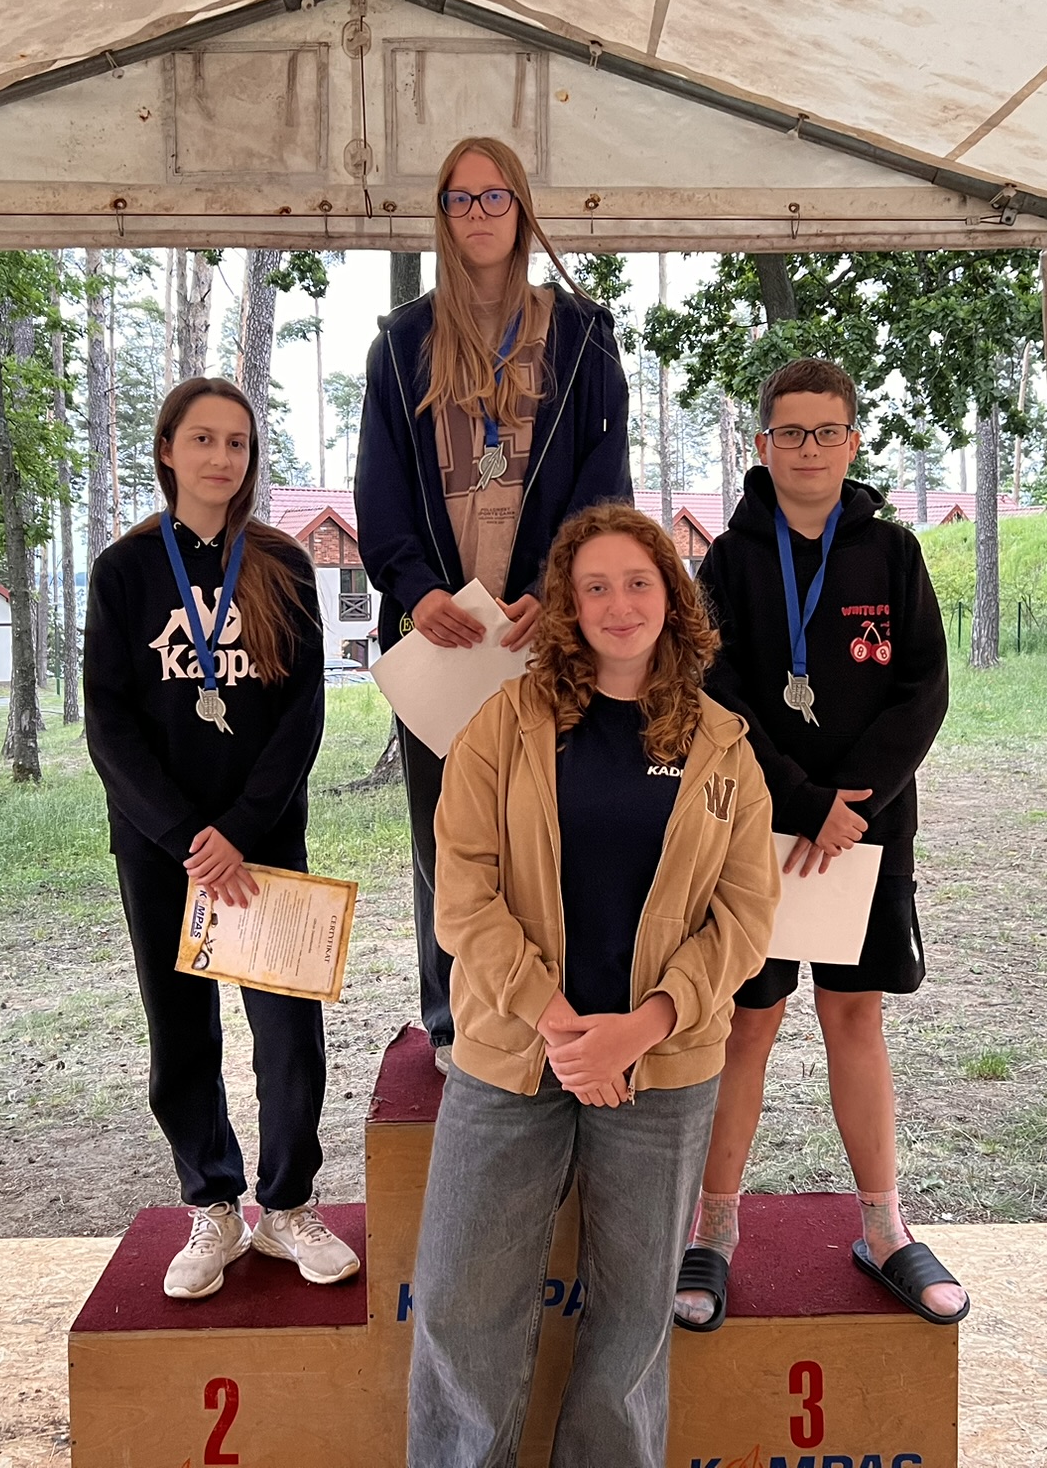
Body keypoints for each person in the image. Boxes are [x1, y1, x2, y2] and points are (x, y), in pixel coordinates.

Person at [407, 504, 777, 1468]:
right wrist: (562, 1024)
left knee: (632, 1321)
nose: (620, 605)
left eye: (639, 583)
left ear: (672, 598)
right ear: (568, 605)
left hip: (662, 1069)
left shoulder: (724, 746)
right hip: (513, 1052)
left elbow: (745, 921)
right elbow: (462, 894)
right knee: (460, 1305)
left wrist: (642, 1027)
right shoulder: (504, 724)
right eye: (596, 586)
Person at [672, 357, 968, 1332]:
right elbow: (716, 694)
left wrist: (855, 805)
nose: (808, 449)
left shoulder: (892, 553)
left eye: (826, 432)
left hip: (865, 837)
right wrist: (802, 801)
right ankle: (713, 1230)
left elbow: (921, 689)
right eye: (790, 433)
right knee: (746, 1024)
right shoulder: (728, 563)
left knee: (854, 1016)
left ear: (852, 441)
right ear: (762, 445)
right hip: (759, 834)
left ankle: (883, 1226)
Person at [356, 134, 631, 1075]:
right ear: (441, 214)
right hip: (444, 636)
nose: (477, 214)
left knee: (554, 822)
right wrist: (415, 588)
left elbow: (606, 482)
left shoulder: (583, 335)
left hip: (541, 629)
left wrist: (558, 588)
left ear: (522, 208)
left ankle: (560, 1009)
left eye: (494, 196)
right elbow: (379, 486)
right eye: (459, 199)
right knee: (447, 837)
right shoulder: (402, 343)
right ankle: (452, 1022)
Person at [84, 376, 359, 1301]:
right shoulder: (125, 570)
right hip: (161, 846)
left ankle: (288, 1206)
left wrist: (239, 830)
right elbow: (108, 720)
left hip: (263, 837)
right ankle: (213, 1205)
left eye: (237, 442)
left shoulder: (281, 563)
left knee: (287, 1033)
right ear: (167, 450)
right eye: (202, 439)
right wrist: (184, 835)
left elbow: (302, 712)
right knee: (180, 1031)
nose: (221, 457)